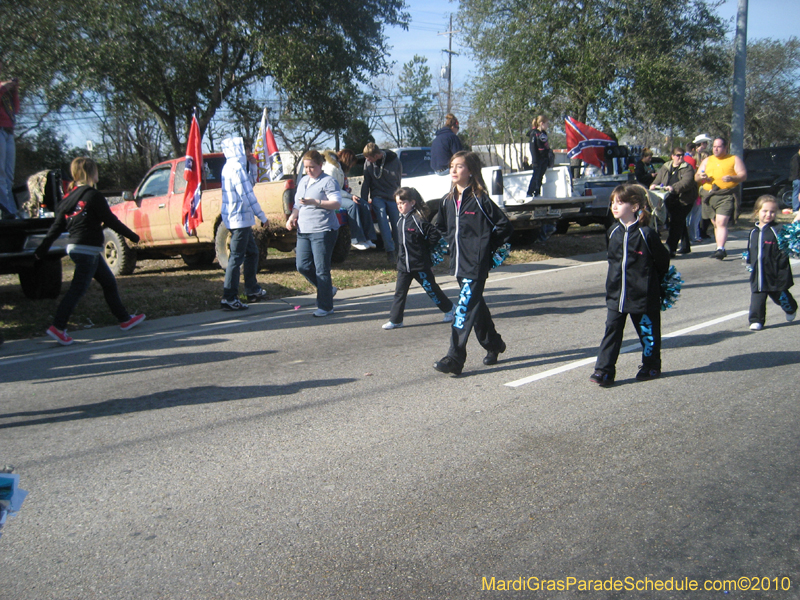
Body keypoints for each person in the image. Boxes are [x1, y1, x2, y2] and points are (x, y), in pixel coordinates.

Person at [34, 157, 145, 345]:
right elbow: (111, 220)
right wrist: (133, 237)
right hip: (87, 249)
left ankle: (125, 319)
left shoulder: (69, 198)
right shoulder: (93, 196)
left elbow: (56, 227)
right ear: (91, 172)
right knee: (77, 289)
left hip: (77, 248)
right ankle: (58, 327)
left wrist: (41, 249)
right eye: (96, 170)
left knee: (108, 282)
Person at [432, 151, 513, 376]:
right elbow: (441, 228)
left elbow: (504, 227)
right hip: (459, 264)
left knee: (463, 309)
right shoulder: (447, 201)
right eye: (451, 166)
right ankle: (494, 344)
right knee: (476, 308)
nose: (454, 170)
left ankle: (455, 358)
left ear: (470, 171)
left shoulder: (480, 199)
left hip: (476, 264)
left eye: (459, 166)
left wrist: (485, 250)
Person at [590, 183, 671, 387]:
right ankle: (604, 370)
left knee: (648, 332)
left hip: (643, 296)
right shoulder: (612, 232)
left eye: (620, 202)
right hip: (617, 295)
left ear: (634, 207)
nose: (614, 207)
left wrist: (651, 284)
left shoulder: (646, 234)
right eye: (612, 203)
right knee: (612, 331)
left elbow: (662, 261)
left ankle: (651, 365)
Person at [382, 187, 455, 330]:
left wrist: (425, 251)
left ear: (412, 202)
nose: (400, 206)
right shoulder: (399, 222)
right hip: (404, 266)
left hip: (420, 265)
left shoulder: (418, 220)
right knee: (399, 293)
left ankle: (450, 310)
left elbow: (435, 236)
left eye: (403, 203)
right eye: (397, 203)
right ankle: (396, 320)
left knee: (431, 289)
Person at [287, 150, 342, 317]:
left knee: (321, 269)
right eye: (306, 167)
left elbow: (337, 203)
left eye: (312, 167)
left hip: (323, 230)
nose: (309, 170)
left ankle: (326, 306)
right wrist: (292, 217)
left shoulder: (328, 181)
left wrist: (315, 202)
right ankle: (327, 289)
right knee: (302, 266)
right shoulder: (303, 181)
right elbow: (298, 204)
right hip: (304, 229)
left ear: (321, 165)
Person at [219, 137, 269, 311]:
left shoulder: (229, 166)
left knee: (252, 253)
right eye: (246, 149)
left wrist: (254, 166)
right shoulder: (237, 167)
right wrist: (262, 216)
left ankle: (252, 289)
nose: (249, 153)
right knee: (236, 257)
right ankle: (229, 297)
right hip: (239, 219)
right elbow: (248, 194)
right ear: (238, 149)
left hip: (237, 218)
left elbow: (249, 184)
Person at [745, 195, 797, 330]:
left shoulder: (778, 230)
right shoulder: (753, 232)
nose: (769, 214)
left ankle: (791, 308)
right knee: (757, 296)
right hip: (758, 273)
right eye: (765, 211)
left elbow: (785, 250)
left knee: (780, 295)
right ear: (757, 212)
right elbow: (750, 250)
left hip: (775, 272)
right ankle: (756, 320)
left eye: (772, 211)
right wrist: (750, 263)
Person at [695, 137, 747, 260]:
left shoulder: (733, 159)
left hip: (725, 195)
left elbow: (743, 175)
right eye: (714, 146)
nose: (716, 149)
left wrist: (732, 178)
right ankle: (719, 247)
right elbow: (696, 177)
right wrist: (701, 176)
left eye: (718, 146)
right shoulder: (707, 160)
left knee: (721, 222)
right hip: (709, 196)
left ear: (725, 148)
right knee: (715, 224)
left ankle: (720, 249)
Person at [322, 149, 375, 251]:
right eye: (351, 164)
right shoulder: (332, 168)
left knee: (364, 204)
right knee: (352, 205)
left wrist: (348, 194)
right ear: (348, 161)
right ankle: (356, 239)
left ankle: (368, 237)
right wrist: (350, 196)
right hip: (331, 196)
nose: (351, 166)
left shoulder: (339, 168)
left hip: (340, 194)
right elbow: (332, 189)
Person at [650, 147, 697, 256]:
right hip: (669, 198)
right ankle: (685, 246)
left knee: (676, 221)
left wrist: (673, 188)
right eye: (678, 155)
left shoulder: (687, 168)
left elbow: (687, 182)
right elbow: (659, 178)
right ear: (672, 156)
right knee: (679, 222)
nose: (680, 157)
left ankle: (671, 248)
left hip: (684, 199)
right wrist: (653, 185)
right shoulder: (666, 166)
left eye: (682, 155)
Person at [360, 143, 402, 264]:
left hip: (392, 196)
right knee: (382, 220)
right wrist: (364, 201)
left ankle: (400, 251)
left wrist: (399, 197)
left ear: (377, 155)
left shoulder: (394, 161)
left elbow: (398, 180)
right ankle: (390, 251)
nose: (367, 160)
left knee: (396, 223)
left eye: (369, 158)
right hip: (378, 196)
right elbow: (366, 182)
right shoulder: (368, 164)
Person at [0, 62, 19, 219]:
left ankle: (10, 210)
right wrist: (6, 87)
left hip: (8, 132)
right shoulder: (2, 87)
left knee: (8, 174)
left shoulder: (5, 89)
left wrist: (15, 91)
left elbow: (16, 109)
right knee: (0, 173)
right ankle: (5, 209)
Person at [526, 115, 551, 197]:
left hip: (544, 158)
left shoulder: (544, 133)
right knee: (536, 176)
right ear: (541, 123)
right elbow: (533, 147)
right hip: (538, 158)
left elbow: (545, 146)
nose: (547, 126)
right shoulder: (534, 133)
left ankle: (537, 192)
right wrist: (535, 160)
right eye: (546, 124)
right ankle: (529, 193)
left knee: (540, 176)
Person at [789, 147, 800, 213]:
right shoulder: (795, 158)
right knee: (796, 193)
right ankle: (795, 209)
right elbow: (796, 169)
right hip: (797, 178)